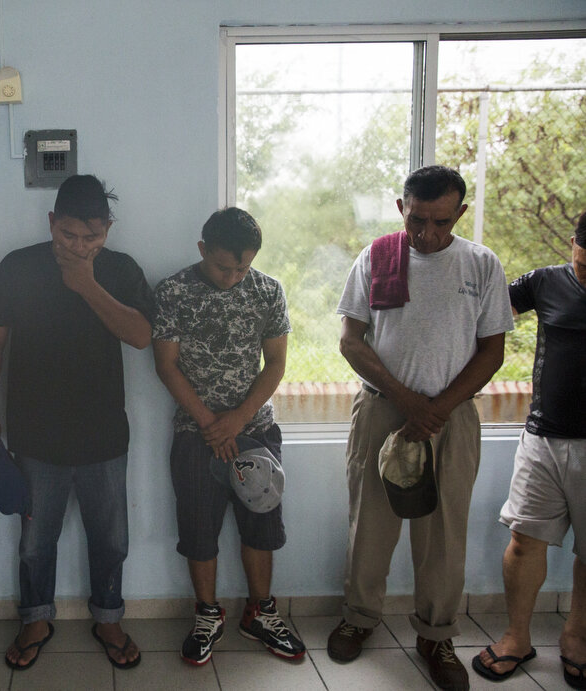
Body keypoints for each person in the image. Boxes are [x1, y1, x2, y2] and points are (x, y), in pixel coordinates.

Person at [329, 165, 514, 691]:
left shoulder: (481, 265)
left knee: (442, 534)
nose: (426, 234)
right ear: (400, 208)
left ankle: (437, 634)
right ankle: (359, 617)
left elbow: (492, 351)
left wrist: (436, 410)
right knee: (370, 523)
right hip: (384, 410)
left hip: (452, 418)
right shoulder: (378, 257)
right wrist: (409, 401)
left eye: (439, 222)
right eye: (416, 220)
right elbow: (351, 341)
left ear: (459, 212)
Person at [0, 174, 154, 671]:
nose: (78, 246)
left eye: (91, 237)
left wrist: (87, 285)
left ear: (108, 230)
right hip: (34, 436)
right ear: (51, 222)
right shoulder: (19, 266)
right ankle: (35, 617)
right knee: (35, 542)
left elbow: (141, 336)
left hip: (104, 436)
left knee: (112, 538)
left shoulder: (119, 271)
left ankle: (109, 617)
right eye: (68, 235)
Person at [152, 207, 305, 665]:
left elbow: (275, 363)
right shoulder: (173, 291)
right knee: (199, 529)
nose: (234, 276)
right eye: (224, 266)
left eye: (243, 267)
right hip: (194, 433)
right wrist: (210, 424)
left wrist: (237, 419)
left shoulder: (267, 290)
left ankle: (260, 612)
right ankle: (207, 614)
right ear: (202, 250)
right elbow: (166, 364)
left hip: (255, 430)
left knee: (261, 525)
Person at [472, 214, 586, 686]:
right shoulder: (545, 282)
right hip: (542, 438)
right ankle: (516, 637)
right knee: (523, 542)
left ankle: (576, 638)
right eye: (583, 262)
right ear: (574, 245)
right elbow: (487, 313)